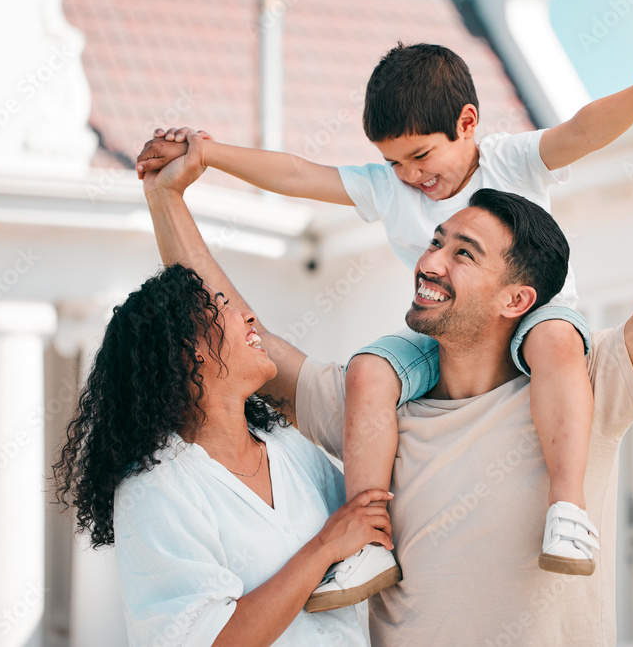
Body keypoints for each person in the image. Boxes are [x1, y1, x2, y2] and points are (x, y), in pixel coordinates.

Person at [139, 54, 633, 644]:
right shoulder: (373, 406)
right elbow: (230, 329)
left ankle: (568, 511)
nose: (429, 261)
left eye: (464, 252)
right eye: (435, 240)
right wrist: (168, 197)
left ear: (517, 298)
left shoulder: (588, 388)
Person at [51, 263, 394, 646]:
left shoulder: (286, 446)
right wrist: (324, 547)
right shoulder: (155, 488)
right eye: (221, 307)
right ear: (188, 351)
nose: (247, 315)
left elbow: (364, 527)